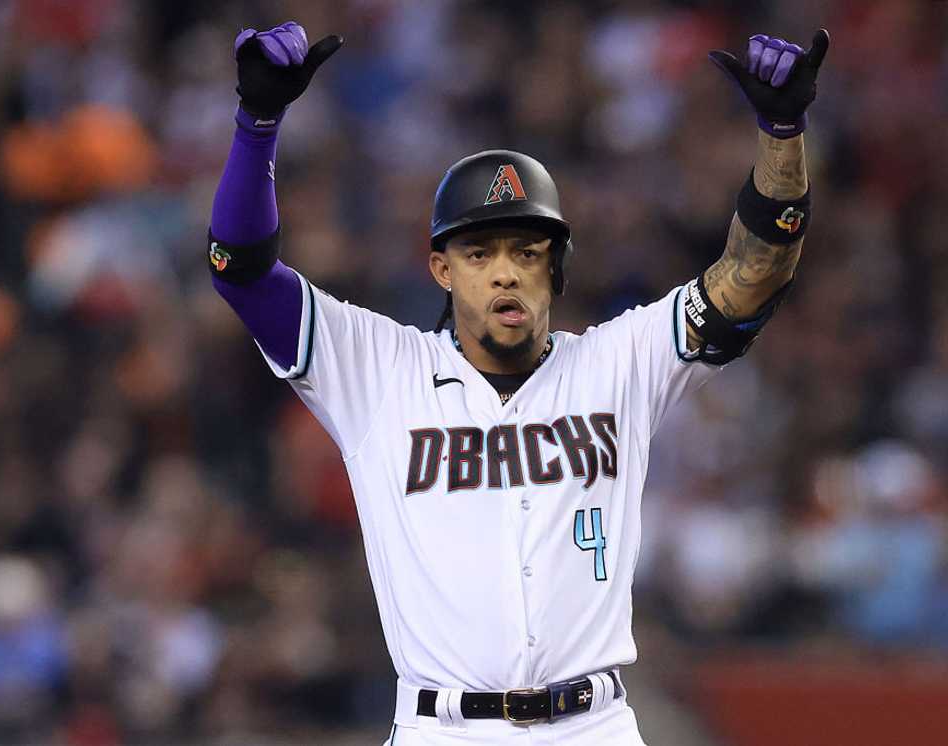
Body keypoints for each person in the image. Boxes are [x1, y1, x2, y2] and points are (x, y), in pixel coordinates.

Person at [209, 21, 828, 745]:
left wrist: (782, 137)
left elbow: (753, 277)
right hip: (443, 729)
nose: (504, 271)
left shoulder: (618, 363)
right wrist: (257, 126)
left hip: (593, 726)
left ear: (555, 268)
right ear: (441, 269)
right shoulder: (377, 369)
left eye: (526, 251)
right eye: (478, 252)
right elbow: (241, 270)